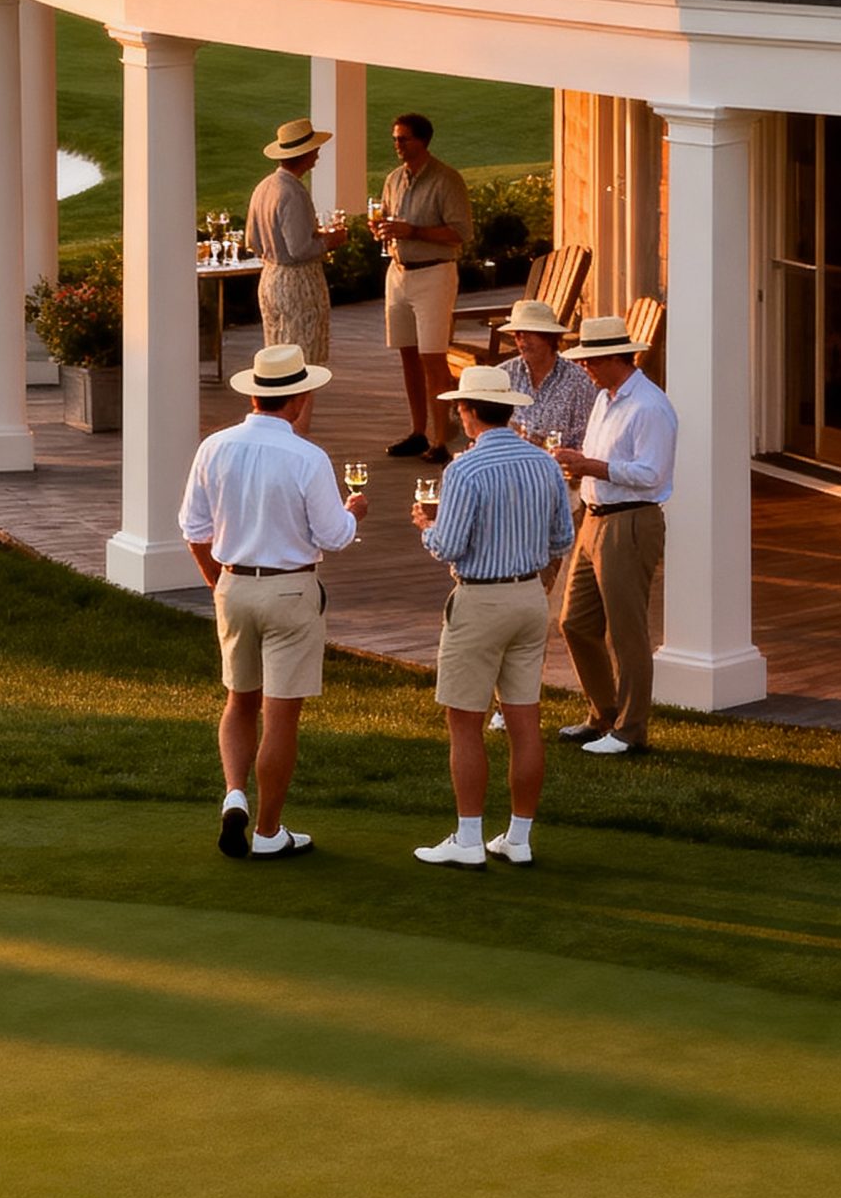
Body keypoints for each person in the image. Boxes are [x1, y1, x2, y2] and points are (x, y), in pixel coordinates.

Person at [179, 342, 364, 860]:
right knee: (281, 717)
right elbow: (334, 535)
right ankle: (267, 831)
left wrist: (217, 582)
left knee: (240, 701)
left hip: (234, 585)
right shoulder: (308, 457)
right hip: (291, 589)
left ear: (255, 394)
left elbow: (193, 529)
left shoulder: (214, 446)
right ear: (299, 399)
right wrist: (355, 512)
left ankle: (234, 793)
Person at [410, 363, 573, 868]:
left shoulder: (464, 470)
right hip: (530, 597)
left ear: (467, 411)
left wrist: (426, 526)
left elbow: (448, 546)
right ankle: (518, 838)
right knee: (524, 720)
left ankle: (468, 839)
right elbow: (562, 539)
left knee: (465, 722)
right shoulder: (544, 463)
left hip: (480, 601)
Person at [550, 313, 678, 757]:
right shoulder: (606, 398)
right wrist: (583, 466)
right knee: (575, 623)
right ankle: (603, 715)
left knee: (626, 632)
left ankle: (630, 731)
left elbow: (651, 474)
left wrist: (590, 466)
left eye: (591, 360)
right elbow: (605, 460)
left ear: (615, 358)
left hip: (631, 522)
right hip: (595, 517)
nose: (584, 367)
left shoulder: (650, 407)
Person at [375, 111, 473, 465]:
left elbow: (461, 232)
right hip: (398, 272)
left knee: (433, 358)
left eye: (403, 139)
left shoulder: (447, 180)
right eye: (395, 139)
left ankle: (442, 439)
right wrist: (382, 230)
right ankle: (418, 432)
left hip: (434, 274)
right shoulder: (393, 179)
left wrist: (413, 231)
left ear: (422, 141)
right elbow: (388, 218)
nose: (397, 145)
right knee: (408, 355)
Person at [246, 118, 346, 428]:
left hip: (270, 278)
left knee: (277, 360)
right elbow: (300, 248)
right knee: (302, 367)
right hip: (297, 281)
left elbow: (252, 240)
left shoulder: (264, 187)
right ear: (304, 153)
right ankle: (297, 434)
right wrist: (331, 240)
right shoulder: (291, 191)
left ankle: (277, 429)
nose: (317, 154)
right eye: (314, 149)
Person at [500, 298, 598, 453]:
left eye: (529, 334)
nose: (522, 342)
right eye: (518, 335)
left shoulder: (579, 381)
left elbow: (585, 441)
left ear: (549, 337)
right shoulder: (503, 375)